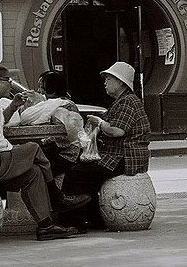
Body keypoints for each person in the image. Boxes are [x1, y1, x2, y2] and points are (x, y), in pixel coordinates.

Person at [0, 62, 91, 241]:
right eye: (8, 80)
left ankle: (46, 226)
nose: (10, 84)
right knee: (33, 148)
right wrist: (21, 152)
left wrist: (13, 106)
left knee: (34, 172)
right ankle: (58, 197)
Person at [60, 61, 151, 230]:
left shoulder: (128, 101)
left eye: (108, 78)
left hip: (124, 157)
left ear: (121, 82)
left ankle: (73, 221)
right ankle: (94, 219)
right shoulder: (122, 101)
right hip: (117, 155)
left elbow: (117, 131)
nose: (105, 82)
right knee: (85, 175)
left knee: (74, 175)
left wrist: (100, 123)